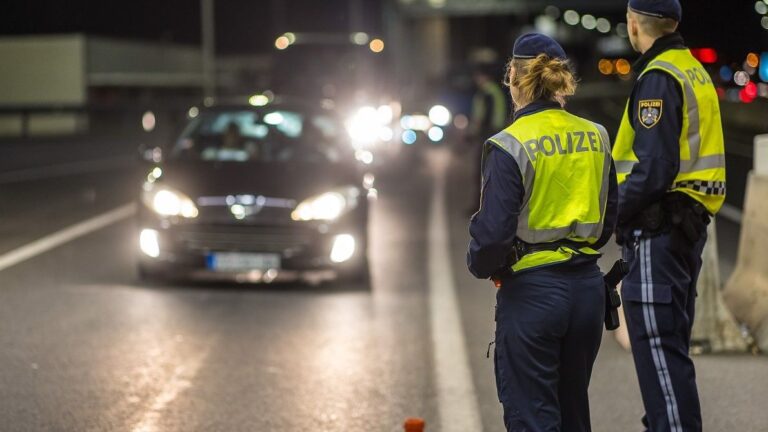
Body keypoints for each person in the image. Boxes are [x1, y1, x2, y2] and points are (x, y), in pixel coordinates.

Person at [467, 33, 618, 432]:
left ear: (514, 78)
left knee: (533, 418)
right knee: (573, 417)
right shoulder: (597, 135)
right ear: (561, 80)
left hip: (534, 296)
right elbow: (608, 220)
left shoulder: (510, 144)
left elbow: (492, 239)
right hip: (587, 292)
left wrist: (483, 263)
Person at [613, 1, 727, 431]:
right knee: (670, 353)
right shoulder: (692, 69)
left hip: (658, 233)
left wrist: (611, 217)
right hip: (686, 231)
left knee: (658, 352)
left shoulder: (659, 77)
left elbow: (652, 169)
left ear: (633, 23)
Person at [467, 63, 509, 209]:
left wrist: (472, 134)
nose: (475, 80)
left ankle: (481, 206)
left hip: (487, 136)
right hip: (498, 135)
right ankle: (492, 206)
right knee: (493, 172)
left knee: (482, 173)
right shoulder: (496, 92)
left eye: (477, 76)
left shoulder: (486, 93)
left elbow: (480, 118)